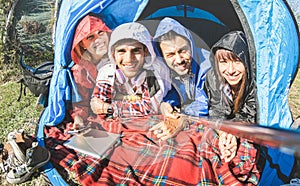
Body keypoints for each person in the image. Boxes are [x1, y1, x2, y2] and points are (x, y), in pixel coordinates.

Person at [90, 22, 171, 117]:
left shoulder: (155, 72)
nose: (129, 59)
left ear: (145, 52)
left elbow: (150, 108)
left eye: (136, 50)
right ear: (113, 55)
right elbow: (98, 108)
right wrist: (136, 101)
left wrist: (109, 107)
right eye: (121, 51)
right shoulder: (107, 72)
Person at [150, 17, 211, 139]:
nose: (179, 60)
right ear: (162, 56)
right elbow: (173, 90)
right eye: (170, 54)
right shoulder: (163, 69)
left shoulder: (207, 64)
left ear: (191, 46)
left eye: (183, 51)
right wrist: (166, 104)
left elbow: (204, 99)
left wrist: (184, 117)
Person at [69, 14, 111, 129]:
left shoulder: (118, 55)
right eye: (90, 37)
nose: (98, 40)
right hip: (101, 110)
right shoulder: (81, 71)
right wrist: (78, 119)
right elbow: (81, 103)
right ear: (82, 44)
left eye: (100, 32)